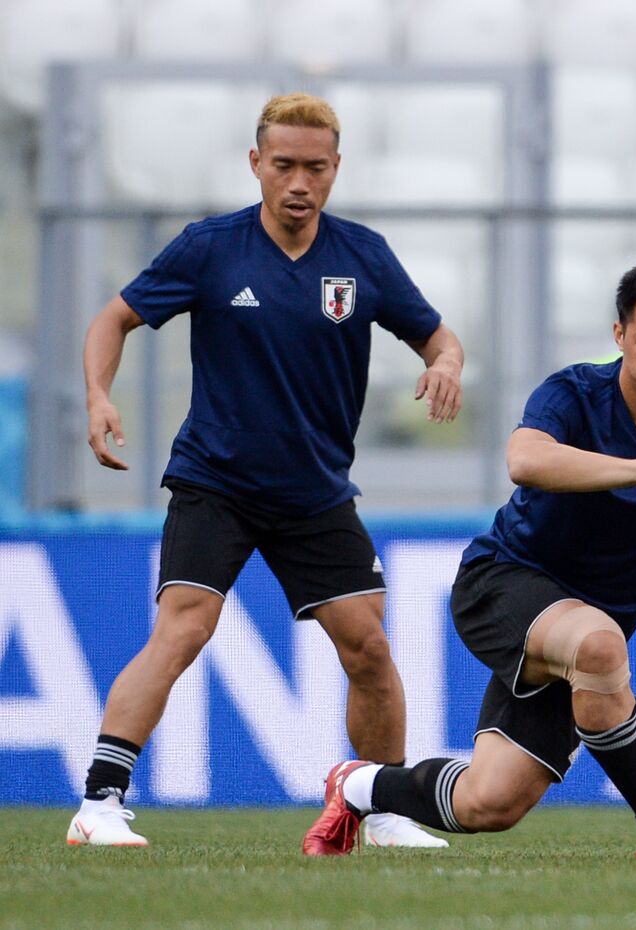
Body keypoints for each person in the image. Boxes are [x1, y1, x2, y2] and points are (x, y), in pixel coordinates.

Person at [302, 259, 636, 858]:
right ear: (619, 335)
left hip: (582, 633)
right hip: (502, 585)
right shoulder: (575, 392)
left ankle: (358, 785)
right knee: (601, 643)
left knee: (490, 802)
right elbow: (525, 460)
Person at [68, 93, 464, 849]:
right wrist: (96, 397)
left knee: (370, 646)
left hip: (314, 491)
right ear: (256, 163)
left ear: (336, 169)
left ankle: (381, 812)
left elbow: (439, 336)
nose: (298, 182)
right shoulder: (210, 248)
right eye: (283, 165)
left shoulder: (363, 256)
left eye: (315, 167)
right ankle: (100, 802)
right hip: (216, 480)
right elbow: (111, 319)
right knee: (184, 628)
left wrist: (445, 364)